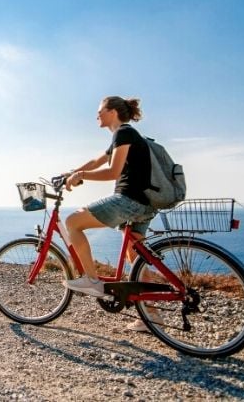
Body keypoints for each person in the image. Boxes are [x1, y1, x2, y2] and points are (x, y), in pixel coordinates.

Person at [61, 96, 159, 332]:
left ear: (112, 112)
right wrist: (74, 171)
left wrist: (81, 177)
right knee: (135, 257)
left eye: (100, 111)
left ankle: (92, 281)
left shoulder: (124, 133)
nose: (97, 115)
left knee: (73, 222)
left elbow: (114, 171)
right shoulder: (125, 135)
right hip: (145, 204)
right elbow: (99, 160)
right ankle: (152, 316)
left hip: (129, 200)